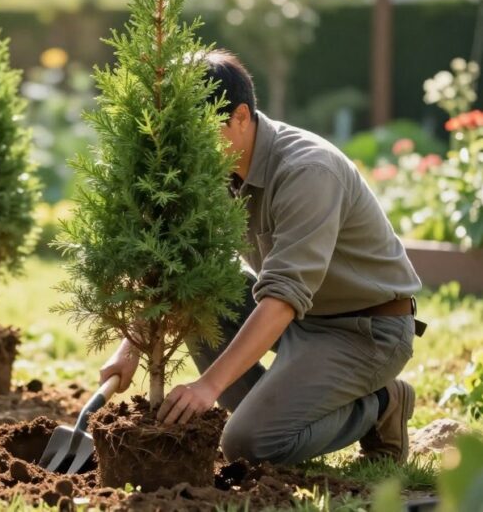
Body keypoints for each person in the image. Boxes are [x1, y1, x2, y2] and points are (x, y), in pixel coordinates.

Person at [99, 49, 423, 465]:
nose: (189, 147)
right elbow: (186, 261)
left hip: (363, 329)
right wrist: (131, 345)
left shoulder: (308, 171)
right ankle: (282, 410)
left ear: (239, 117)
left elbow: (284, 297)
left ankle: (381, 405)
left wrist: (208, 386)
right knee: (197, 294)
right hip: (299, 318)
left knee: (248, 446)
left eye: (201, 132)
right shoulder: (215, 166)